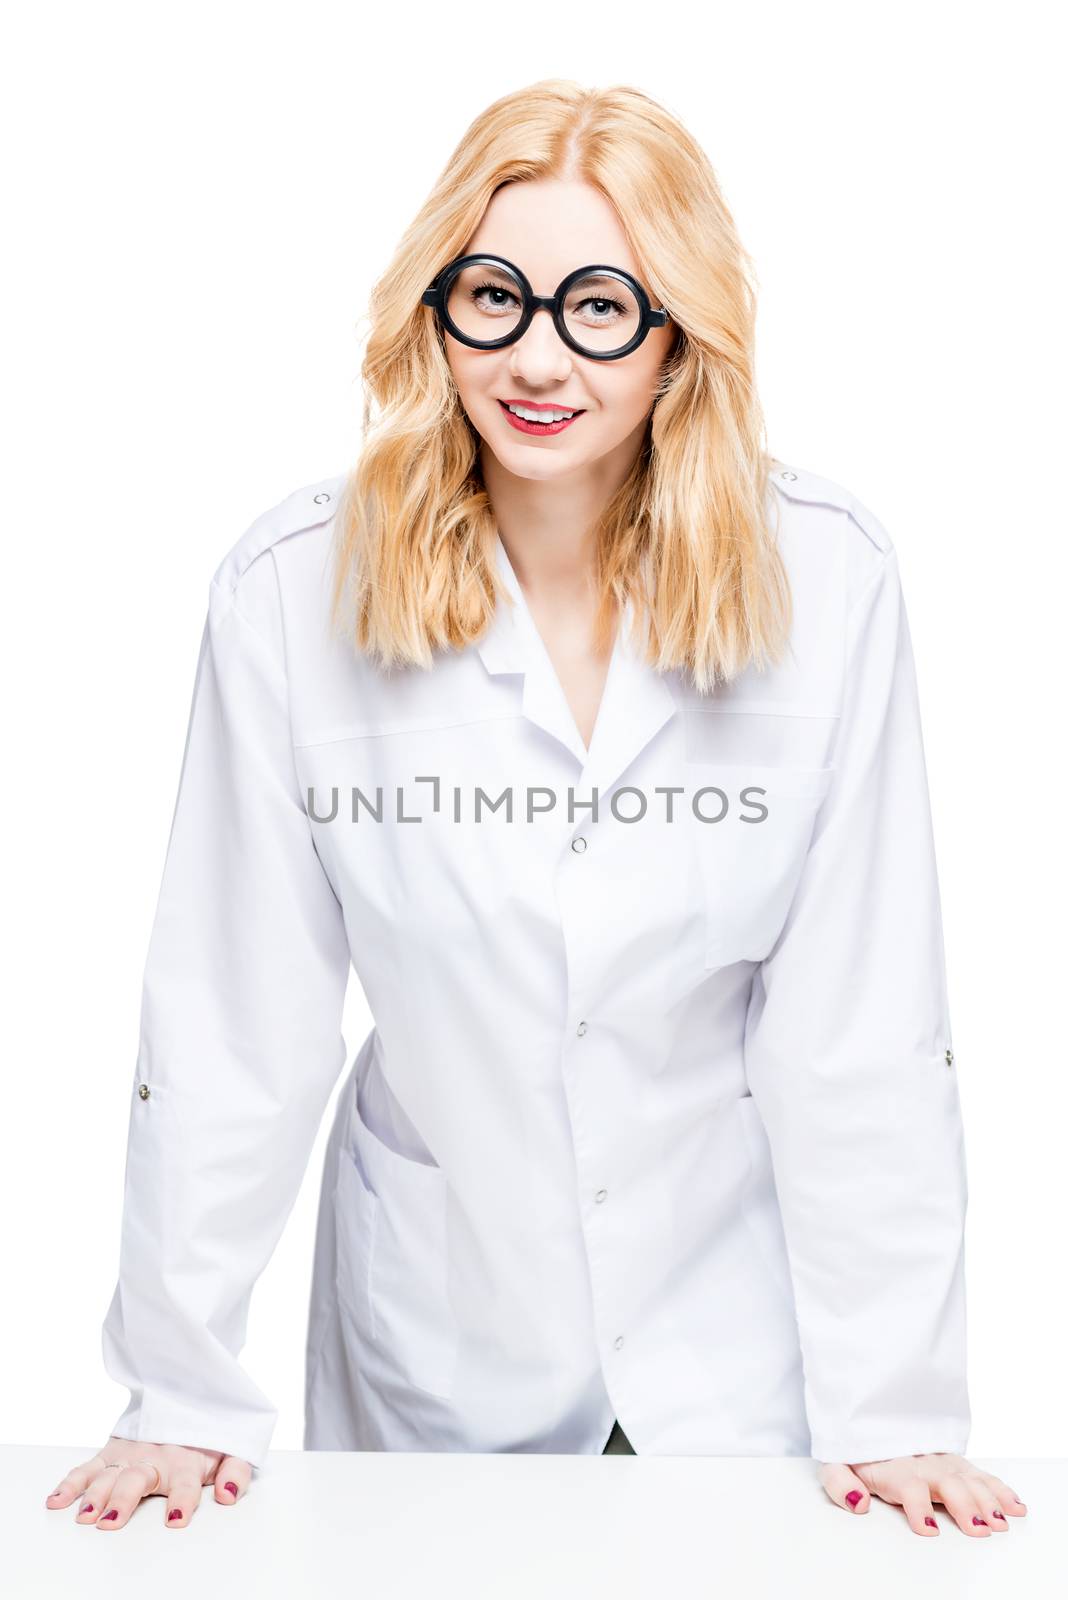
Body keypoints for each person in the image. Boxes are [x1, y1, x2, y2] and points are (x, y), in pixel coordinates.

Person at [45, 79, 1027, 1537]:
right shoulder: (289, 595)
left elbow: (860, 1031)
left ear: (678, 334)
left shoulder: (829, 583)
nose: (537, 355)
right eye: (494, 297)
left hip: (733, 1348)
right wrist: (181, 1395)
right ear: (434, 313)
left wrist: (897, 1404)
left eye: (601, 307)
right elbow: (233, 1022)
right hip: (438, 1344)